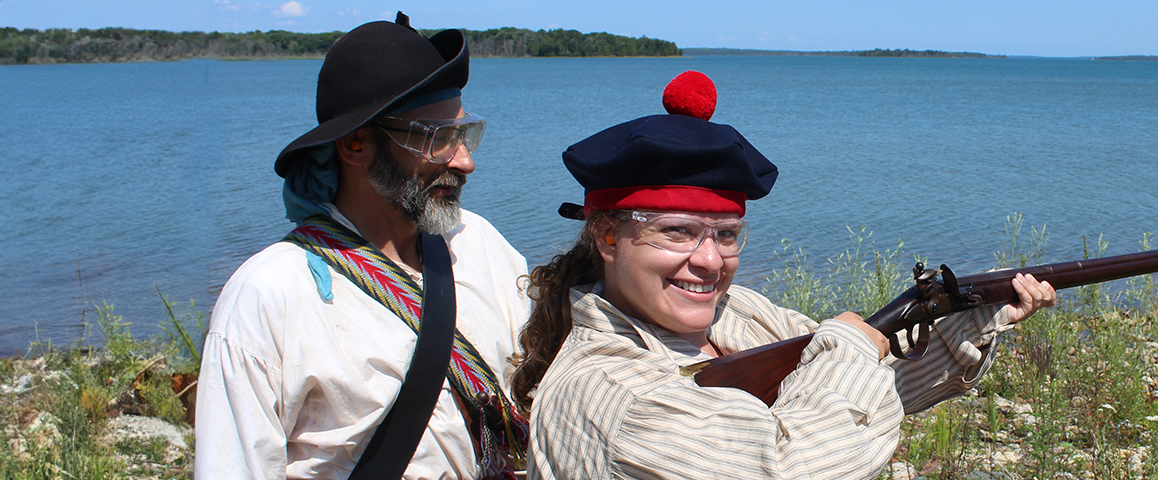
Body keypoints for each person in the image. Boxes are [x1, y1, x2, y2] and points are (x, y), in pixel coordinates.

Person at [512, 71, 1057, 479]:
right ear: (607, 236)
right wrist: (849, 342)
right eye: (677, 232)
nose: (708, 260)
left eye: (726, 234)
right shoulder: (613, 393)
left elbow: (874, 394)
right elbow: (792, 460)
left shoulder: (742, 313)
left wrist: (976, 317)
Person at [196, 14, 528, 480]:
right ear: (356, 145)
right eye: (438, 139)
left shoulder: (478, 242)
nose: (466, 162)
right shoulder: (271, 293)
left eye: (465, 134)